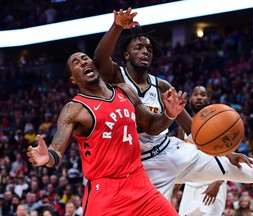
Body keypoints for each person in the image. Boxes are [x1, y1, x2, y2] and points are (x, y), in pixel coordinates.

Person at [93, 7, 253, 203]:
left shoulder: (162, 85)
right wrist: (117, 26)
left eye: (149, 49)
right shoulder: (116, 76)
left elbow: (191, 127)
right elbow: (99, 59)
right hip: (142, 166)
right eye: (138, 47)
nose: (145, 51)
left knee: (245, 172)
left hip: (171, 151)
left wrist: (227, 152)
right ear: (127, 55)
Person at [27, 51, 186, 215]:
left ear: (94, 64)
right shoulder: (74, 109)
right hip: (106, 193)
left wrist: (169, 114)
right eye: (76, 62)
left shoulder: (125, 91)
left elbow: (152, 125)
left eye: (85, 58)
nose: (82, 62)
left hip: (140, 184)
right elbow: (56, 150)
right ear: (73, 79)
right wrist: (47, 158)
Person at [178, 86, 228, 216]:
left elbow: (228, 157)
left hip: (213, 182)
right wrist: (175, 188)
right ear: (190, 100)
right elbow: (179, 157)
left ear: (209, 100)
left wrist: (218, 183)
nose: (199, 97)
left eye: (203, 95)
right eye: (195, 94)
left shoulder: (219, 124)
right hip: (190, 183)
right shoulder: (183, 127)